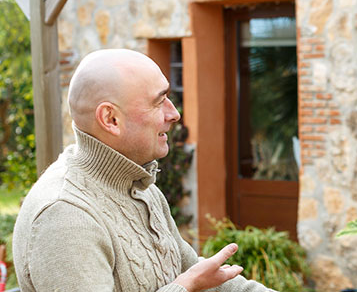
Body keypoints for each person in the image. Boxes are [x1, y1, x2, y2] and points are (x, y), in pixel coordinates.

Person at [13, 49, 275, 292]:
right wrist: (183, 287)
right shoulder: (64, 216)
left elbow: (197, 273)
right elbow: (190, 280)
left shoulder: (138, 187)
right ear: (111, 119)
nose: (174, 114)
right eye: (158, 102)